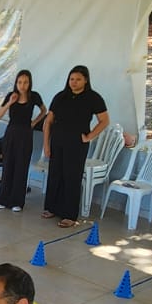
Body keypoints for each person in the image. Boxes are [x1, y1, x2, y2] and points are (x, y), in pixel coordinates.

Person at [42, 65, 108, 226]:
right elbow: (48, 121)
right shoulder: (60, 97)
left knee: (71, 176)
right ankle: (52, 208)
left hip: (77, 144)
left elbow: (104, 120)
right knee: (55, 174)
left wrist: (90, 136)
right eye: (72, 79)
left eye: (78, 79)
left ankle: (69, 215)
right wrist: (46, 145)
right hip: (57, 141)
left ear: (85, 80)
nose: (74, 82)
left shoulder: (93, 98)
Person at [0, 71, 46, 212]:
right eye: (20, 82)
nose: (22, 85)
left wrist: (34, 122)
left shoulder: (34, 96)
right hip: (11, 133)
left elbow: (44, 110)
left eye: (25, 82)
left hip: (26, 134)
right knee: (8, 166)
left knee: (21, 167)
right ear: (16, 83)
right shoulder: (11, 95)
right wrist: (10, 102)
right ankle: (3, 199)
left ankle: (17, 201)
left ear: (30, 83)